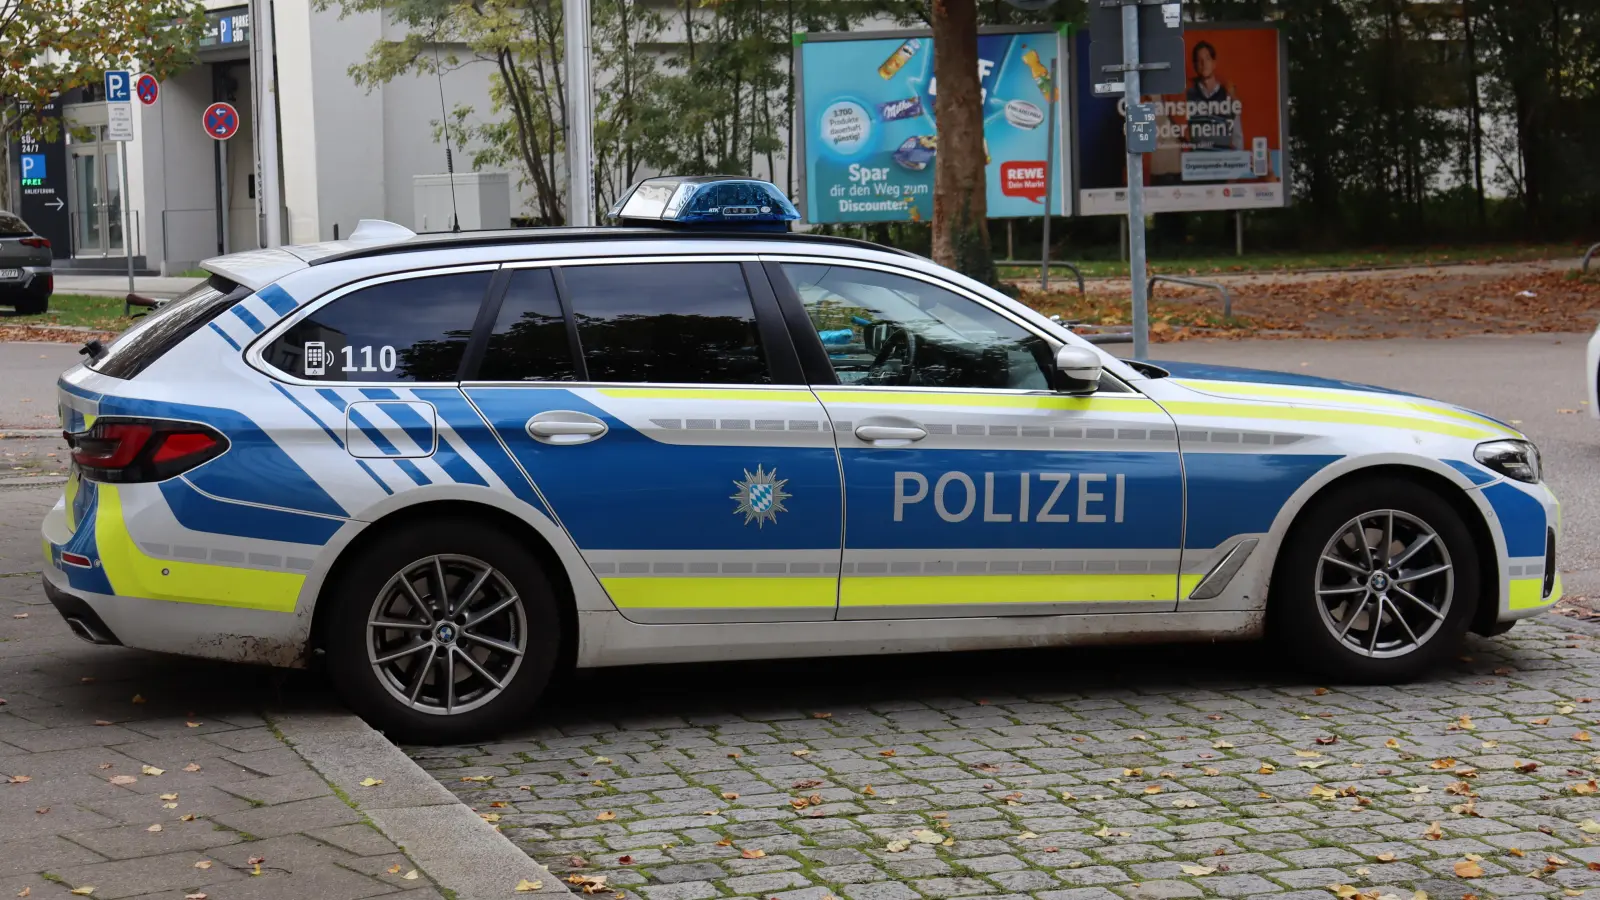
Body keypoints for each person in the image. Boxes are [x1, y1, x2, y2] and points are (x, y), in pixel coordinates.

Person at [1185, 41, 1242, 152]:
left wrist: (1239, 162)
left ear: (1214, 63)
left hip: (1223, 162)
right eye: (1199, 60)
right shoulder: (1189, 95)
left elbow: (1237, 135)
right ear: (1195, 65)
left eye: (1207, 58)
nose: (1203, 63)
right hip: (1197, 163)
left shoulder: (1228, 95)